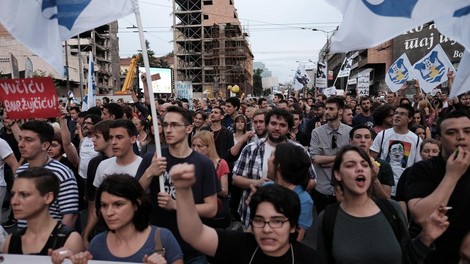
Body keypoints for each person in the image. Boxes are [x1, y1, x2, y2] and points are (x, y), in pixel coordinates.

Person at [317, 146, 449, 263]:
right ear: (338, 174)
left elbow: (407, 258)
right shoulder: (328, 218)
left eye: (365, 165)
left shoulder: (392, 209)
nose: (359, 169)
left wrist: (426, 237)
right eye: (350, 165)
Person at [172, 164, 326, 264]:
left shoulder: (310, 259)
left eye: (277, 221)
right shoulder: (240, 245)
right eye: (259, 220)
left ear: (293, 226)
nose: (267, 229)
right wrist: (183, 191)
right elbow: (194, 234)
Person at [137, 106, 218, 263]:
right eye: (165, 124)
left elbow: (211, 209)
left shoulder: (204, 164)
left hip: (193, 247)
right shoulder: (152, 158)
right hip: (158, 245)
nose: (168, 130)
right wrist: (150, 172)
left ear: (188, 128)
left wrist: (176, 205)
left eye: (174, 125)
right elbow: (133, 196)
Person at [56, 174, 183, 264]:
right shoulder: (97, 244)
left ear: (136, 204)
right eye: (104, 206)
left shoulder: (163, 239)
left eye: (118, 204)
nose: (109, 213)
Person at [233, 108, 316, 228]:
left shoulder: (299, 151)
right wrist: (256, 183)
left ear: (288, 128)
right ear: (267, 125)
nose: (277, 128)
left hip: (286, 219)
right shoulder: (250, 149)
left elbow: (313, 180)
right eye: (273, 123)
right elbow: (235, 178)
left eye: (282, 125)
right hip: (251, 216)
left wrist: (286, 189)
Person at [405, 111, 470, 263]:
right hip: (435, 256)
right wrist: (452, 175)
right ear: (439, 139)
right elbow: (422, 216)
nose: (461, 136)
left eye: (467, 131)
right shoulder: (423, 169)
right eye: (452, 132)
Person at [3, 168, 83, 256]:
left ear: (48, 197)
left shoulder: (70, 240)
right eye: (13, 194)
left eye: (24, 195)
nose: (14, 201)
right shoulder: (11, 241)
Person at [14, 120, 79, 229]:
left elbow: (70, 216)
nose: (20, 145)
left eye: (28, 140)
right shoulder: (21, 172)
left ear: (45, 145)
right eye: (20, 139)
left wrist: (54, 242)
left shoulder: (62, 173)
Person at [310, 96, 352, 212]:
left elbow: (351, 159)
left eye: (331, 109)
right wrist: (340, 158)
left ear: (340, 111)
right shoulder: (316, 132)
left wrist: (326, 162)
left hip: (344, 189)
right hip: (322, 189)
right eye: (326, 108)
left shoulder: (350, 132)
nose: (327, 111)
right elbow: (315, 159)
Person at [370, 104, 422, 198]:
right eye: (396, 113)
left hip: (404, 188)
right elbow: (372, 158)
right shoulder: (382, 135)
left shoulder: (416, 140)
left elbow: (418, 166)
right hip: (383, 187)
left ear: (410, 119)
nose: (397, 116)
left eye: (402, 114)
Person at [266, 143, 313, 241]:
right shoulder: (265, 188)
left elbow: (295, 241)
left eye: (271, 156)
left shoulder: (303, 201)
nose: (268, 160)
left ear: (278, 165)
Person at [192, 131, 231, 228]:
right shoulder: (191, 163)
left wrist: (207, 186)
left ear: (209, 147)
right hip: (195, 213)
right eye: (193, 145)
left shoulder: (221, 163)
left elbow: (225, 191)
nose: (195, 149)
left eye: (200, 146)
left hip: (215, 215)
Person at [349, 124, 394, 199]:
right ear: (350, 141)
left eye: (367, 137)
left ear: (372, 141)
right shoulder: (344, 164)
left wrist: (374, 178)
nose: (363, 140)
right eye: (358, 137)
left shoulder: (383, 165)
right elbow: (340, 197)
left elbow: (387, 199)